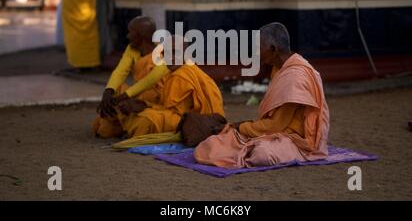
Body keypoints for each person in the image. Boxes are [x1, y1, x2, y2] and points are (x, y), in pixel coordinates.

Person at [194, 22, 330, 168]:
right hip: (275, 133)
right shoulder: (280, 68)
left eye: (259, 48)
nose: (256, 53)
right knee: (210, 144)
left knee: (262, 153)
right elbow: (273, 121)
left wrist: (242, 127)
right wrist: (243, 127)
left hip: (298, 141)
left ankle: (247, 148)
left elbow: (275, 125)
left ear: (273, 49)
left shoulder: (294, 77)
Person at [100, 35, 225, 140]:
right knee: (123, 101)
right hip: (181, 115)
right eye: (166, 53)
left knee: (145, 119)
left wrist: (146, 106)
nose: (170, 57)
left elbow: (177, 114)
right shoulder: (175, 71)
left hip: (194, 120)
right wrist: (144, 104)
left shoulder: (181, 75)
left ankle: (127, 126)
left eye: (175, 52)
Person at [92, 16, 170, 138]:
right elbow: (120, 71)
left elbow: (150, 81)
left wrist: (124, 97)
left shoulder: (164, 52)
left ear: (141, 36)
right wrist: (108, 91)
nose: (127, 36)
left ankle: (127, 123)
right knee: (115, 92)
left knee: (143, 119)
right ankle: (125, 121)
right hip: (135, 96)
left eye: (131, 32)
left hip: (157, 103)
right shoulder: (132, 48)